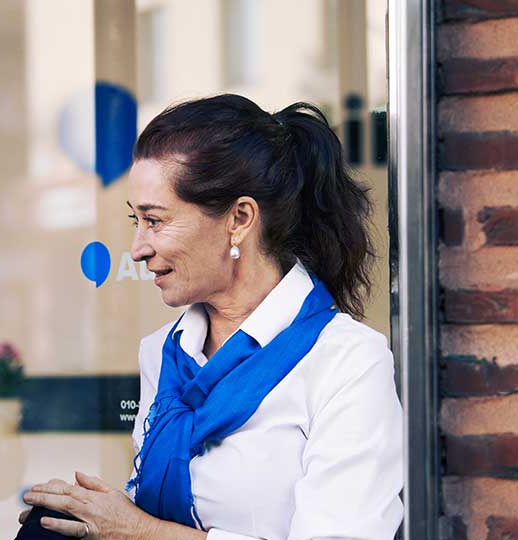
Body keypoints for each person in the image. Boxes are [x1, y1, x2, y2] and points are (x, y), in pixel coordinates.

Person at [21, 95, 403, 539]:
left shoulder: (347, 361)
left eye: (155, 221)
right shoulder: (163, 354)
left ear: (239, 219)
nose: (138, 249)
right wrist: (95, 518)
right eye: (135, 221)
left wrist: (139, 531)